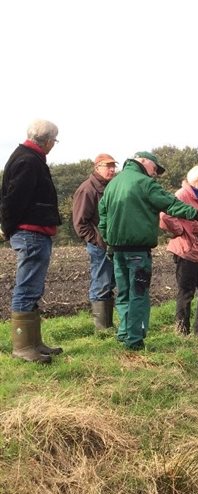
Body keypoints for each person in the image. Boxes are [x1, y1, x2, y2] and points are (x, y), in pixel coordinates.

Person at [98, 151, 198, 351]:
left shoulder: (113, 184)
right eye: (154, 168)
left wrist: (108, 241)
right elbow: (169, 204)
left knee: (123, 293)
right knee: (139, 295)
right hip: (137, 252)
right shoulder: (144, 183)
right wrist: (195, 215)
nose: (155, 174)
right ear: (143, 162)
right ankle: (135, 340)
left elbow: (103, 216)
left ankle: (124, 334)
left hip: (117, 251)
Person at [0, 119, 63, 363]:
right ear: (47, 141)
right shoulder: (27, 160)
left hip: (35, 233)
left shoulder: (29, 157)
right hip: (31, 233)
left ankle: (35, 343)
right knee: (26, 288)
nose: (53, 145)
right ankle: (24, 347)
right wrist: (8, 228)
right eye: (54, 141)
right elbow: (13, 200)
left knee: (33, 288)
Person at [159, 165, 198, 339]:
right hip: (186, 251)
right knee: (186, 292)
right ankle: (182, 334)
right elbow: (165, 216)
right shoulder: (182, 195)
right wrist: (180, 230)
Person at [72, 153, 119, 331]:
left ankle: (108, 326)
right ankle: (101, 328)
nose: (112, 169)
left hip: (113, 245)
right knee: (101, 283)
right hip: (100, 246)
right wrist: (98, 241)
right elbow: (80, 223)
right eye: (108, 166)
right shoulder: (87, 189)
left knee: (110, 282)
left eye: (113, 166)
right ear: (97, 167)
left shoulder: (111, 187)